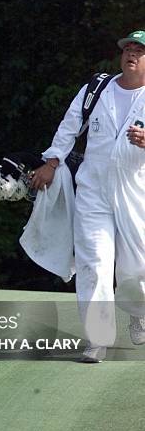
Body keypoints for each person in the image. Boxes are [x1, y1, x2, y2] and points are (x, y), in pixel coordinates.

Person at [30, 30, 145, 362]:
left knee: (135, 270)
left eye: (140, 51)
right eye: (128, 49)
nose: (132, 54)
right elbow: (69, 128)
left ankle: (138, 310)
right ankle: (98, 338)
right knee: (94, 262)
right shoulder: (95, 89)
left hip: (135, 191)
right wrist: (52, 162)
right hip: (93, 189)